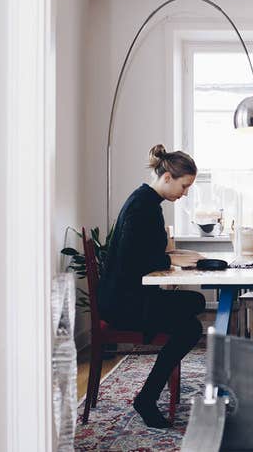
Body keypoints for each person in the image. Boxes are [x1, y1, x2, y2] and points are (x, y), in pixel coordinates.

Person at [98, 144, 205, 428]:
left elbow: (148, 252)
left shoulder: (146, 201)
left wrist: (177, 258)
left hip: (129, 295)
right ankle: (146, 398)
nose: (185, 193)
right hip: (123, 303)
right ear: (167, 177)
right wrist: (174, 259)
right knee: (192, 322)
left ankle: (149, 395)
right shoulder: (142, 206)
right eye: (184, 186)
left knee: (194, 306)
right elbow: (137, 260)